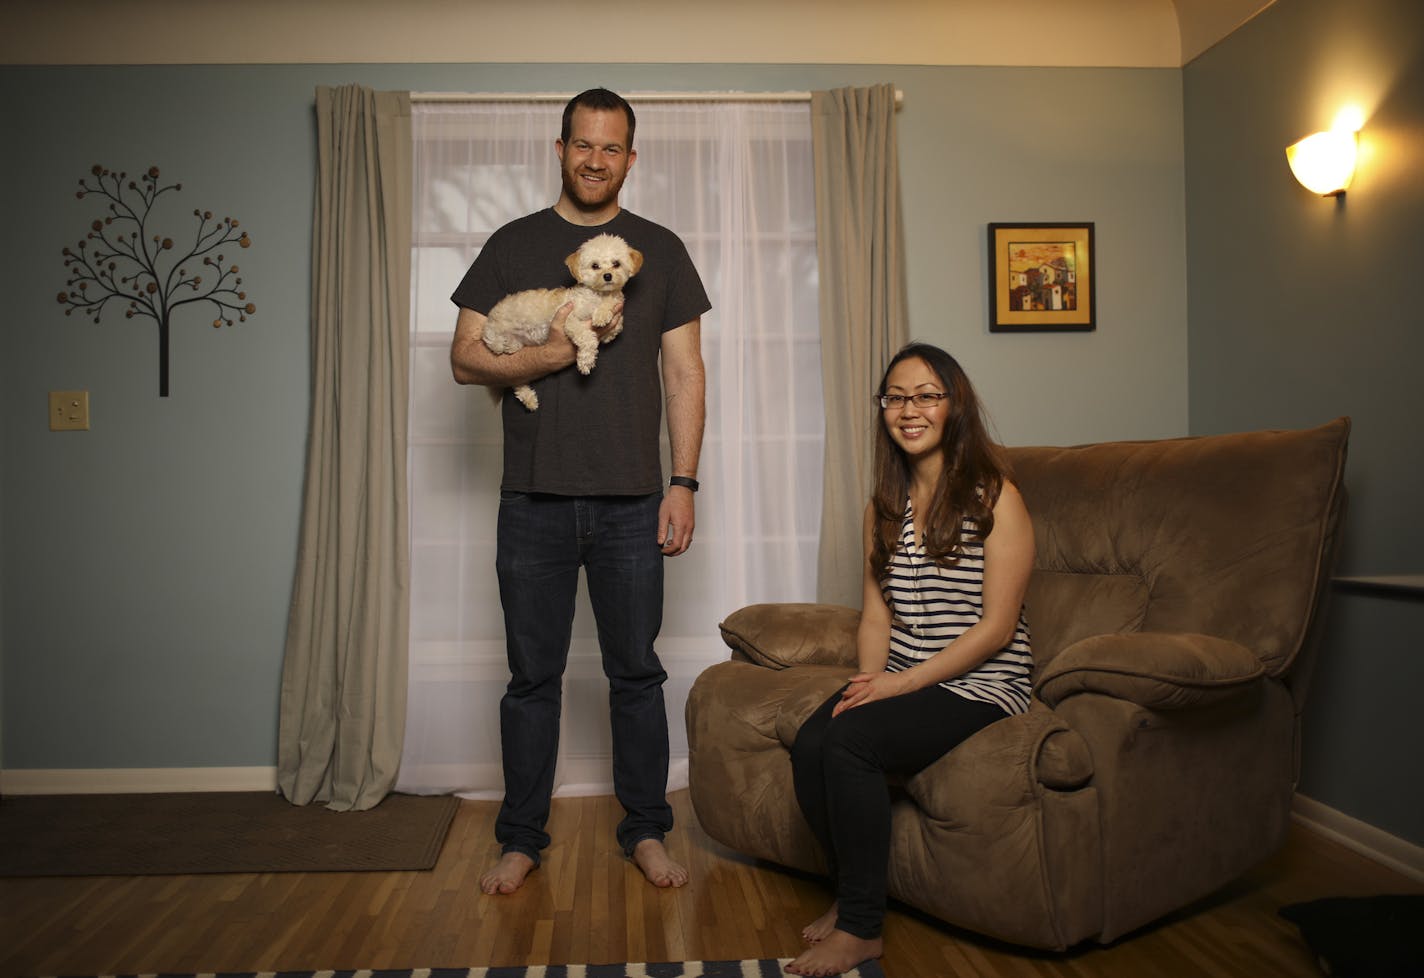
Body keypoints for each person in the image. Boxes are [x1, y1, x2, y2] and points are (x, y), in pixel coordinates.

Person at [448, 88, 710, 895]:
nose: (596, 159)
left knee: (637, 673)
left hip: (635, 501)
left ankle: (646, 832)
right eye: (582, 145)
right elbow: (464, 358)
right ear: (558, 148)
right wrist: (550, 357)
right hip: (532, 500)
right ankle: (521, 837)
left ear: (632, 157)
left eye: (612, 147)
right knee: (532, 679)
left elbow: (684, 372)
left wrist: (683, 483)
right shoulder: (511, 244)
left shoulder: (659, 249)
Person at [785, 342, 1035, 976]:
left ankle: (863, 929)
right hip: (906, 675)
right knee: (814, 738)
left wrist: (903, 686)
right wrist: (870, 681)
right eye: (895, 396)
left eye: (926, 395)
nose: (909, 409)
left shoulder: (995, 496)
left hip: (981, 682)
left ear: (956, 407)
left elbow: (999, 627)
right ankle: (850, 897)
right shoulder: (882, 508)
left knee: (850, 744)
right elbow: (877, 615)